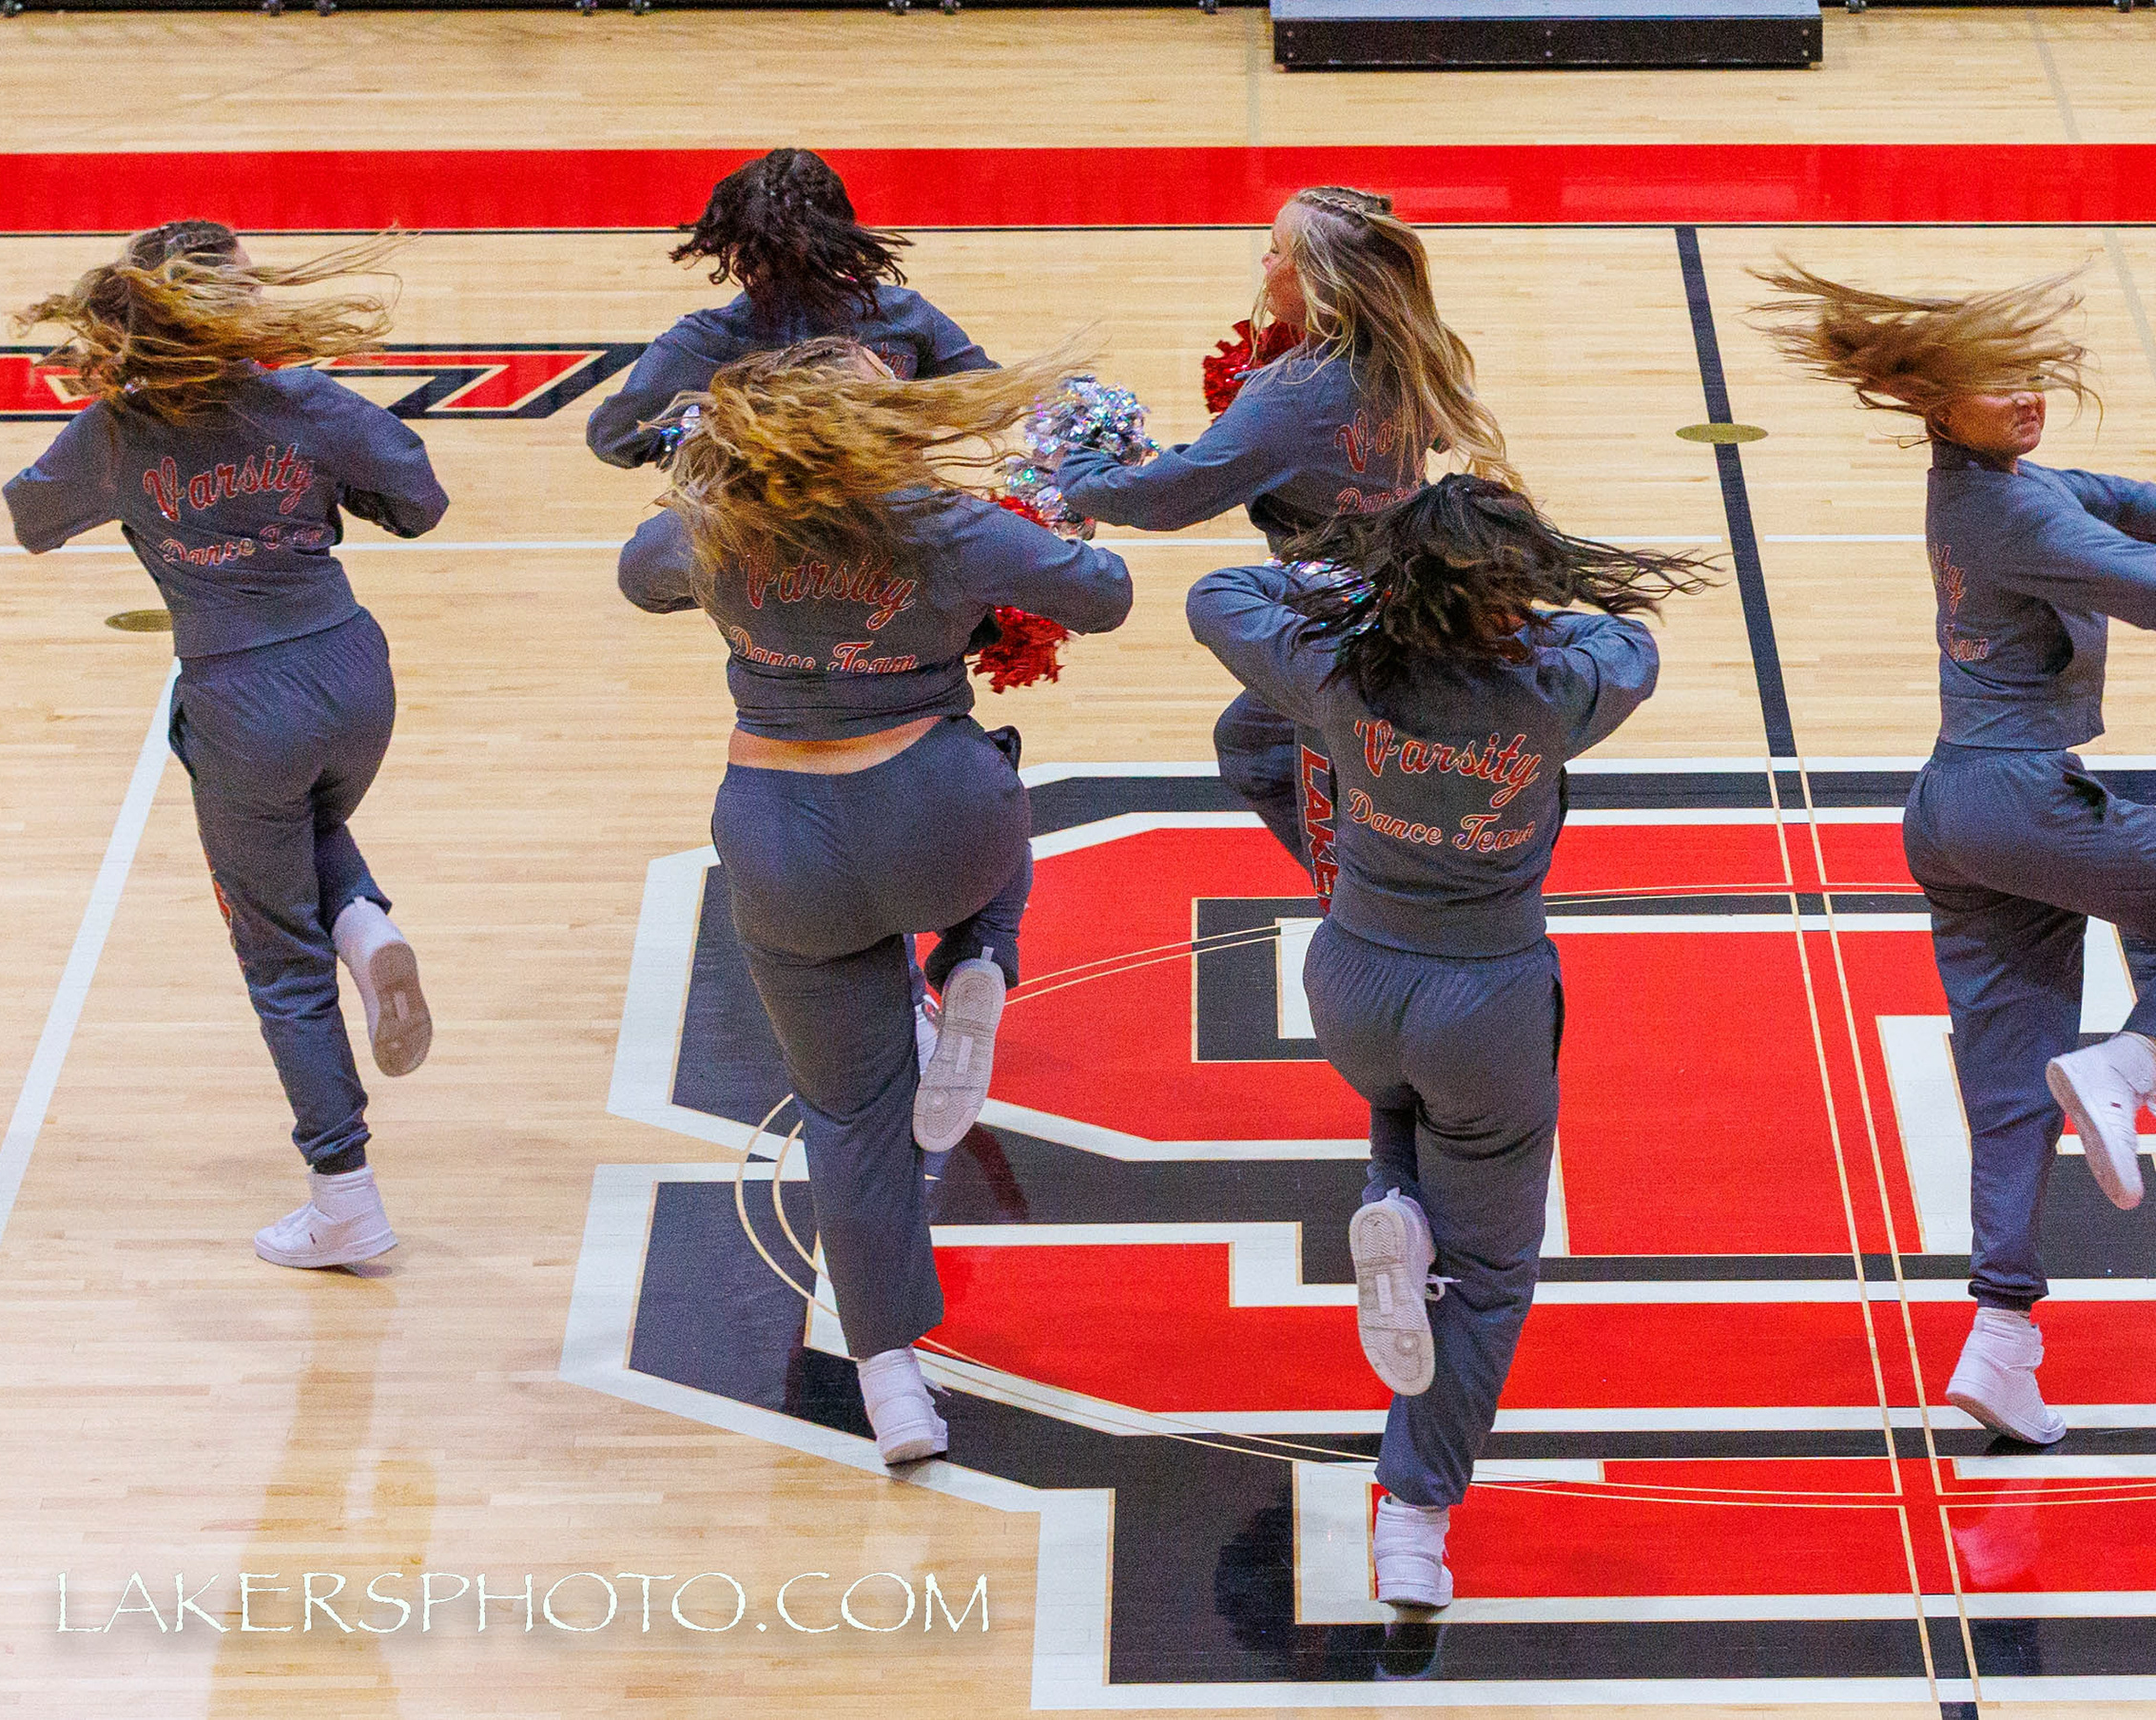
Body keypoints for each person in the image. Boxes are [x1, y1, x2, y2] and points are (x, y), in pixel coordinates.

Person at [1755, 263, 2156, 1447]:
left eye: (2031, 377)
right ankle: (2136, 1063)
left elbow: (2144, 514)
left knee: (2010, 1090)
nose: (2025, 397)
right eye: (1995, 384)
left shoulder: (2007, 488)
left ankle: (2002, 1341)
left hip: (1953, 813)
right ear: (1936, 407)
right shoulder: (2011, 516)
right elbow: (2155, 590)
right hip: (2016, 800)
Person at [1186, 475, 1705, 1609]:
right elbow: (1630, 641)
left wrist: (1361, 594)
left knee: (1402, 1114)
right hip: (1484, 1002)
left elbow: (1215, 593)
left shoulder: (1335, 670)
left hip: (1351, 982)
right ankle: (1414, 1521)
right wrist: (1505, 613)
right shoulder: (1556, 689)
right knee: (1491, 1279)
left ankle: (1395, 1205)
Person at [618, 340, 1135, 1468]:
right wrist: (1046, 527)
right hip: (935, 819)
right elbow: (1105, 596)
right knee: (999, 800)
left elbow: (637, 576)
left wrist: (714, 489)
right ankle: (975, 958)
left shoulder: (715, 529)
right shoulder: (939, 524)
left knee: (849, 1118)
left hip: (779, 839)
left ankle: (891, 1382)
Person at [2, 223, 445, 1270]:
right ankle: (362, 920)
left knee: (279, 955)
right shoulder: (306, 401)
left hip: (241, 701)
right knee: (299, 828)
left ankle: (344, 1197)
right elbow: (419, 504)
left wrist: (119, 432)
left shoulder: (119, 431)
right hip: (353, 671)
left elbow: (29, 519)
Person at [1056, 185, 1500, 879]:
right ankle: (1385, 882)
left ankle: (1373, 899)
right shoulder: (1415, 350)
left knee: (1291, 758)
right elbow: (1429, 436)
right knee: (1256, 746)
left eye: (1276, 250)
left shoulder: (1295, 393)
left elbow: (1167, 499)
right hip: (1414, 591)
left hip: (1345, 623)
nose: (1265, 263)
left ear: (1318, 278)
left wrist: (1077, 469)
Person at [585, 146, 995, 468]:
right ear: (844, 229)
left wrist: (696, 427)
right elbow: (991, 398)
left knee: (650, 546)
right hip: (891, 522)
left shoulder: (702, 341)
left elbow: (613, 439)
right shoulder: (903, 313)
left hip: (753, 532)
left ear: (739, 246)